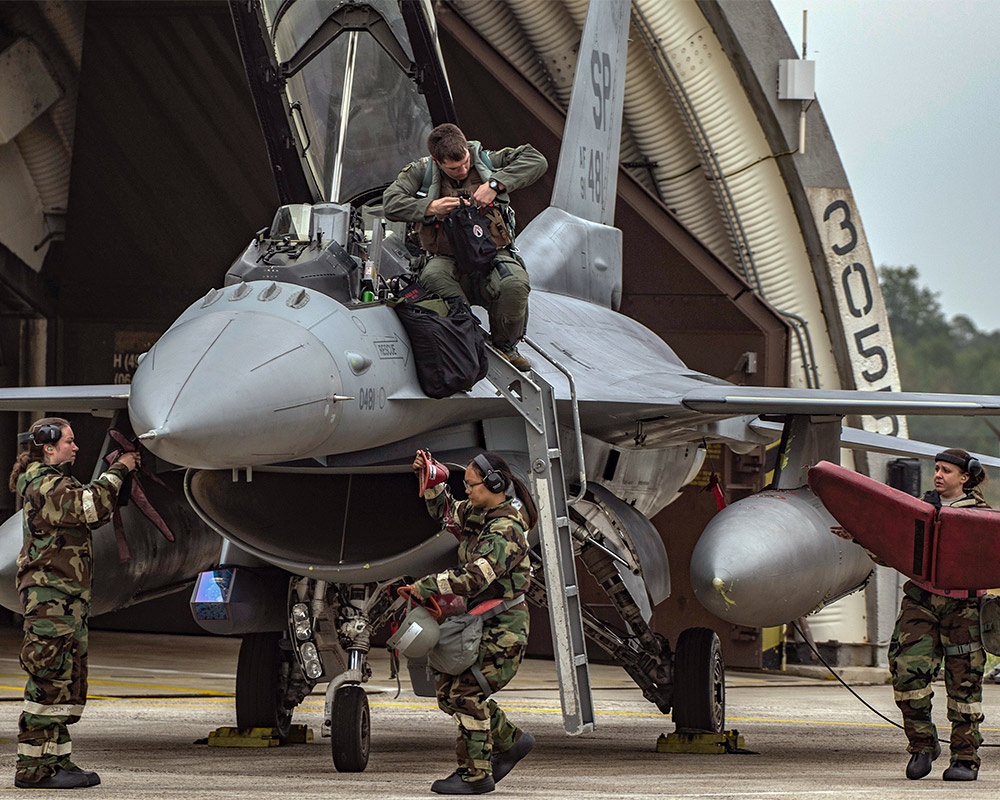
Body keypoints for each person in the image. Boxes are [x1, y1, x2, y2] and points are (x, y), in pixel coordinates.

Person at [9, 418, 140, 789]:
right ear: (49, 447)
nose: (76, 447)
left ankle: (55, 760)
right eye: (70, 441)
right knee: (49, 682)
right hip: (51, 601)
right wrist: (120, 468)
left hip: (65, 600)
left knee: (65, 682)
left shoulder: (55, 482)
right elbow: (91, 507)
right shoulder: (46, 484)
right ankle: (33, 769)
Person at [402, 449, 537, 794]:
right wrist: (433, 481)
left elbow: (476, 578)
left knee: (466, 693)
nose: (467, 492)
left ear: (494, 484)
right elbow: (448, 514)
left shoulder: (505, 530)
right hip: (481, 622)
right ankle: (511, 742)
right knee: (449, 693)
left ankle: (476, 775)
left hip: (504, 629)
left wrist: (425, 586)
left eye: (471, 485)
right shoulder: (481, 512)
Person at [383, 123, 547, 372]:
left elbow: (536, 160)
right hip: (445, 256)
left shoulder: (485, 159)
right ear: (437, 162)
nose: (461, 170)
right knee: (432, 279)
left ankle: (505, 347)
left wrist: (495, 185)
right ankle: (466, 339)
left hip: (493, 253)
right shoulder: (421, 172)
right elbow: (391, 203)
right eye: (453, 168)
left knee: (515, 284)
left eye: (465, 163)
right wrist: (431, 208)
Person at [889, 448, 990, 782]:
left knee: (964, 683)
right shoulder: (918, 510)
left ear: (964, 477)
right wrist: (863, 535)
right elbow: (892, 549)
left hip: (964, 608)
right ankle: (922, 745)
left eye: (946, 470)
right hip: (921, 602)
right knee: (907, 674)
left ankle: (965, 757)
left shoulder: (982, 517)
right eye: (936, 468)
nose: (938, 475)